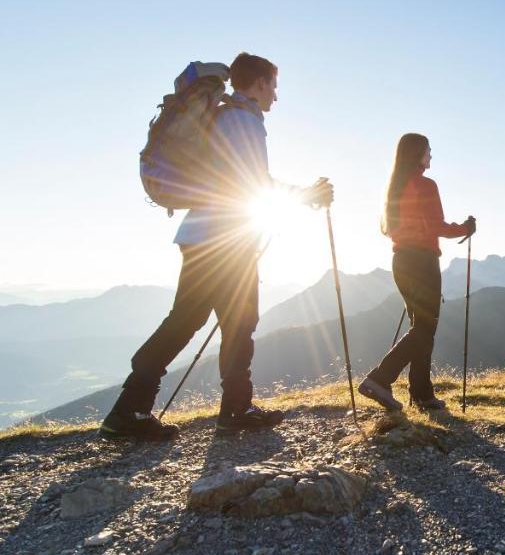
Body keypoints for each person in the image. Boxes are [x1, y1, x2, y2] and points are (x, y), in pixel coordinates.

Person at [100, 52, 334, 441]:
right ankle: (137, 411)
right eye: (273, 86)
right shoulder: (243, 119)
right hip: (224, 241)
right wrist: (305, 194)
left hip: (207, 236)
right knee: (206, 321)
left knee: (226, 320)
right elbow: (253, 182)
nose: (276, 95)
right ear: (259, 83)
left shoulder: (227, 117)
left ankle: (217, 408)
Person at [358, 133, 475, 412]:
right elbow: (436, 226)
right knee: (425, 327)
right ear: (417, 153)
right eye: (428, 150)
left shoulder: (394, 188)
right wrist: (465, 229)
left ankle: (422, 393)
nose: (431, 155)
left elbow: (391, 229)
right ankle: (380, 379)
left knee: (421, 327)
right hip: (422, 262)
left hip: (402, 261)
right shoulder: (425, 184)